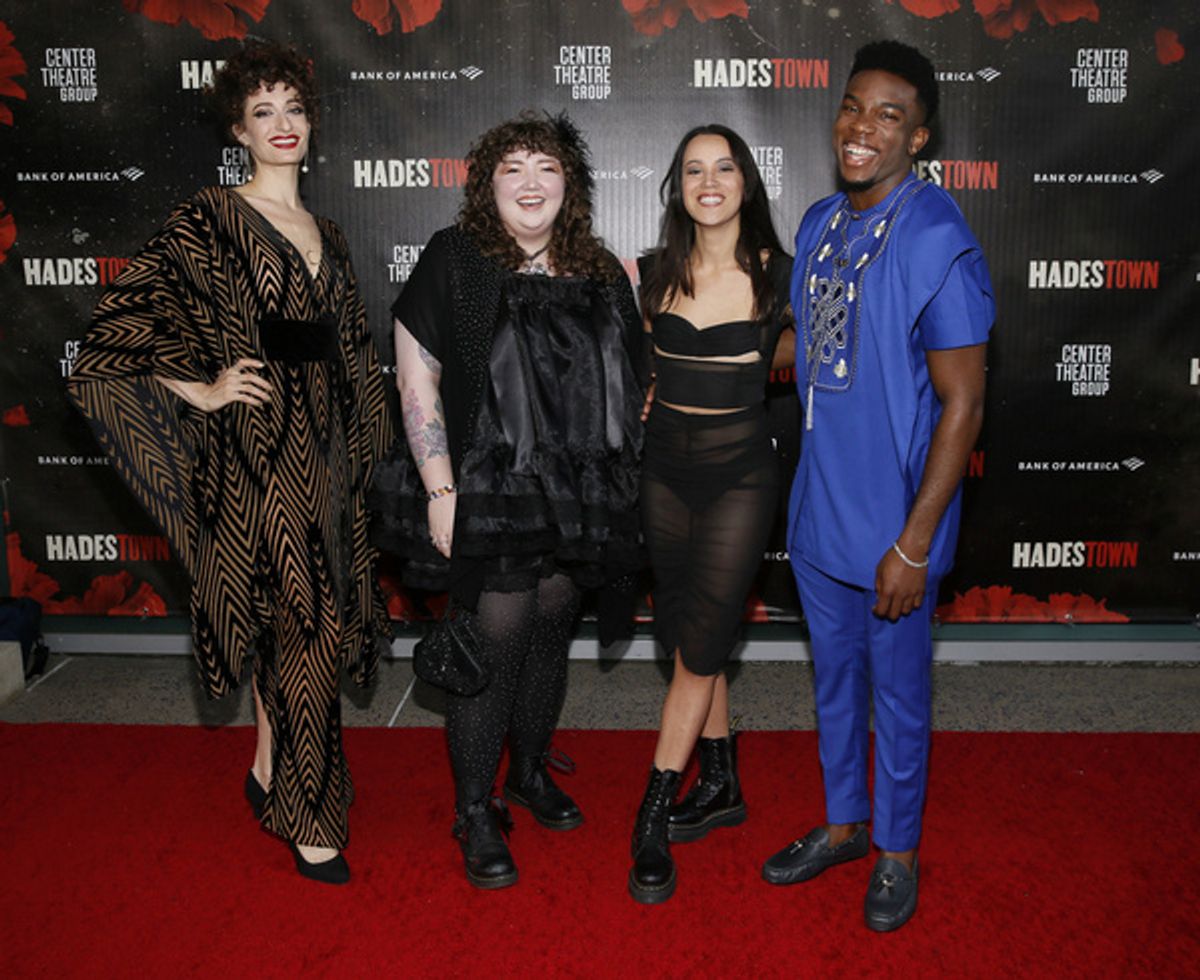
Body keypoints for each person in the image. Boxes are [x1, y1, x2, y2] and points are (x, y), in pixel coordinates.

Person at [68, 41, 392, 885]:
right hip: (255, 457)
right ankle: (311, 813)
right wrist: (202, 389)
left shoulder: (330, 231)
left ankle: (264, 769)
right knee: (304, 625)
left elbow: (355, 351)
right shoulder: (207, 218)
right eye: (263, 112)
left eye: (293, 108)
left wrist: (368, 460)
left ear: (311, 125)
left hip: (327, 458)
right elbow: (112, 337)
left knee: (298, 624)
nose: (282, 124)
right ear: (240, 132)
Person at [370, 113, 644, 890]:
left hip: (574, 494)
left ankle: (526, 769)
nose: (530, 182)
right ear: (487, 186)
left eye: (547, 167)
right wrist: (439, 488)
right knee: (494, 639)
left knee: (552, 629)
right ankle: (473, 809)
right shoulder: (456, 259)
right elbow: (415, 378)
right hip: (483, 489)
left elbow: (630, 384)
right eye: (512, 168)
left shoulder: (600, 272)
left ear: (572, 185)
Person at [761, 41, 994, 931]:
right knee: (831, 686)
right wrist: (705, 368)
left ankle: (896, 852)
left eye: (889, 115)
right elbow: (810, 352)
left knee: (896, 697)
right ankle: (843, 824)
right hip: (820, 512)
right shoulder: (821, 222)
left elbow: (963, 402)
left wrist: (915, 542)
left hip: (896, 527)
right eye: (854, 107)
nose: (863, 128)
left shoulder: (937, 234)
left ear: (920, 136)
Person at [627, 124, 794, 904]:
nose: (709, 181)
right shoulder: (652, 275)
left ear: (746, 182)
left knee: (697, 650)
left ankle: (653, 810)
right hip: (663, 471)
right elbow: (634, 381)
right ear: (678, 186)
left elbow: (827, 374)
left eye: (723, 167)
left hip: (739, 477)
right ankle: (722, 781)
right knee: (693, 625)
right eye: (693, 169)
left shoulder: (784, 278)